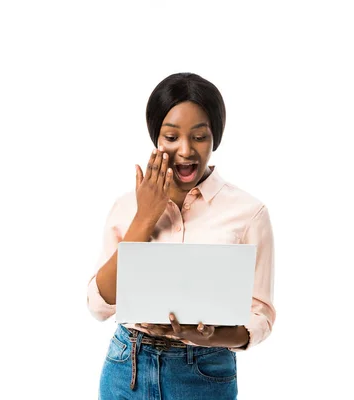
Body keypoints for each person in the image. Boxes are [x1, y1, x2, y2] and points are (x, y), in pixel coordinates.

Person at [86, 72, 276, 399]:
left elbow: (260, 316)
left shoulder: (249, 213)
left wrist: (212, 336)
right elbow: (98, 305)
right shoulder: (126, 206)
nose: (185, 151)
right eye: (171, 137)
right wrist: (145, 217)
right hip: (126, 367)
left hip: (203, 373)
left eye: (199, 137)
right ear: (156, 139)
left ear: (214, 137)